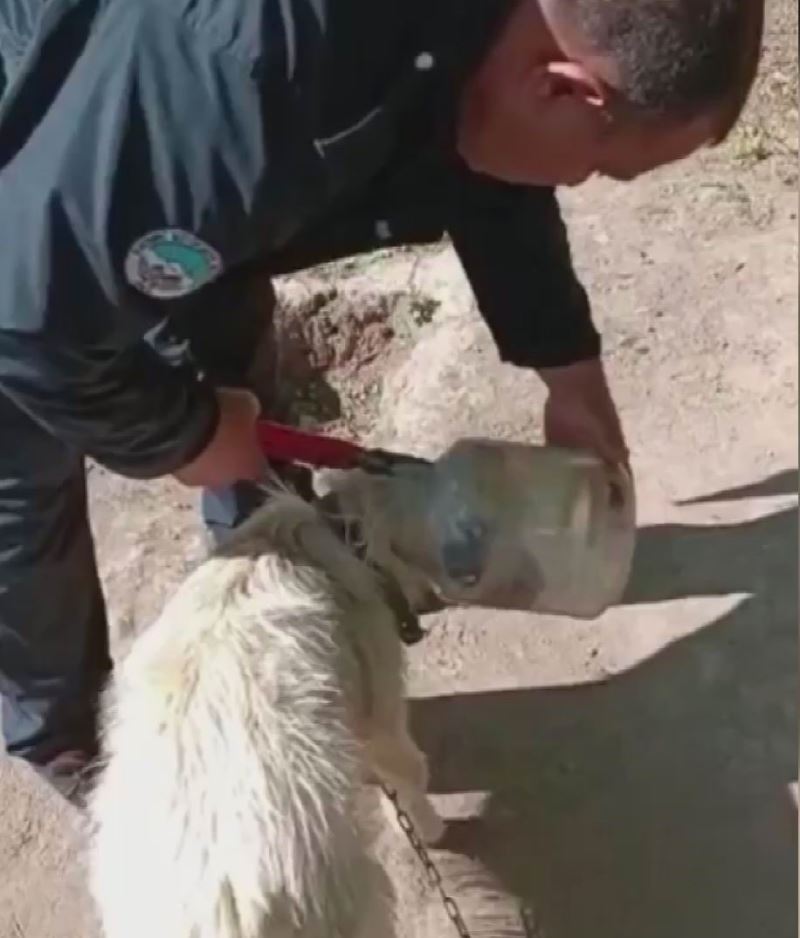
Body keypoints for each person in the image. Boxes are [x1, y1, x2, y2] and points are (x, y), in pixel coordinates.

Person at [0, 0, 762, 800]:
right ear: (565, 87)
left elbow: (488, 168)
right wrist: (182, 436)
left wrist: (568, 368)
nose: (577, 181)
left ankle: (279, 596)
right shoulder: (243, 77)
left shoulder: (492, 45)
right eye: (600, 167)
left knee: (220, 326)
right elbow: (22, 323)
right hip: (40, 131)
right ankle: (79, 749)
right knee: (21, 454)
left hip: (179, 136)